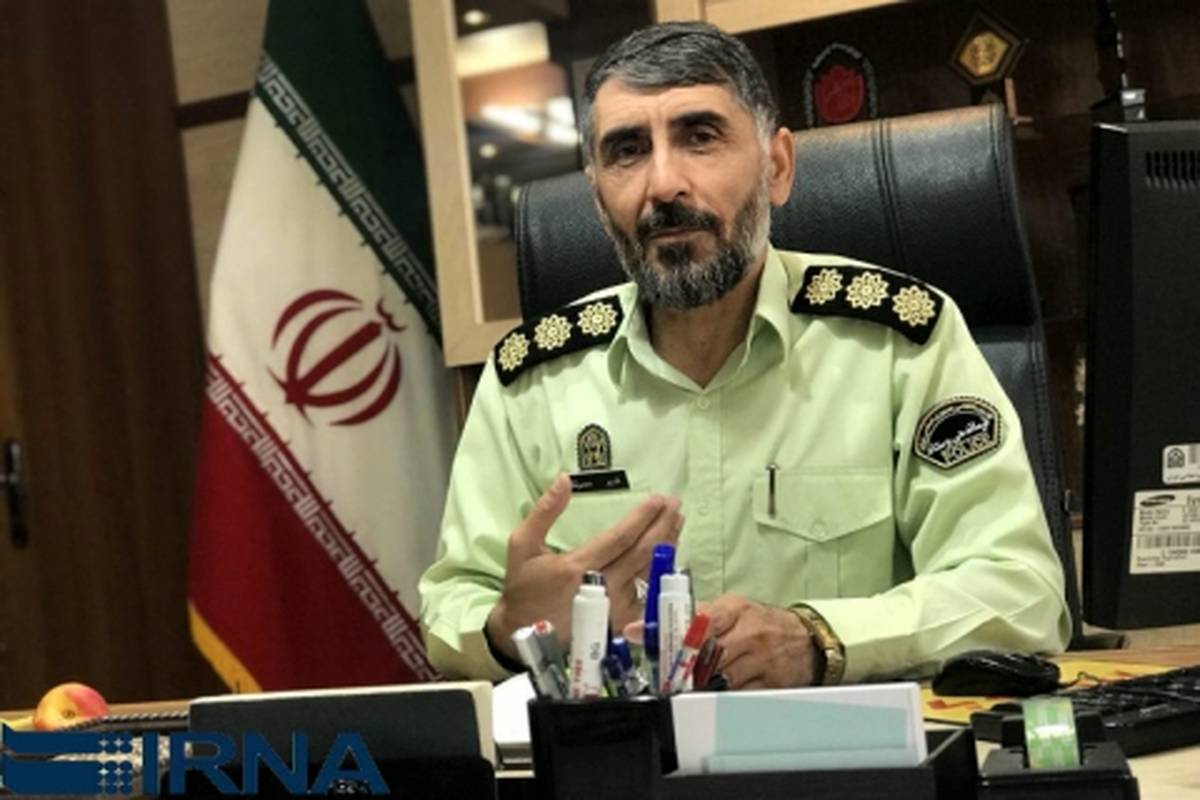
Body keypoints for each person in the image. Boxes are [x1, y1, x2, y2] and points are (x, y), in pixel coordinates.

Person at [418, 21, 1071, 688]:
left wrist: (820, 639)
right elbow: (451, 603)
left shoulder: (899, 342)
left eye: (700, 137)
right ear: (597, 196)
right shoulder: (531, 377)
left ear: (777, 167)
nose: (663, 183)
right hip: (620, 745)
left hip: (840, 744)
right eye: (627, 151)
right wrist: (509, 628)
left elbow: (1019, 591)